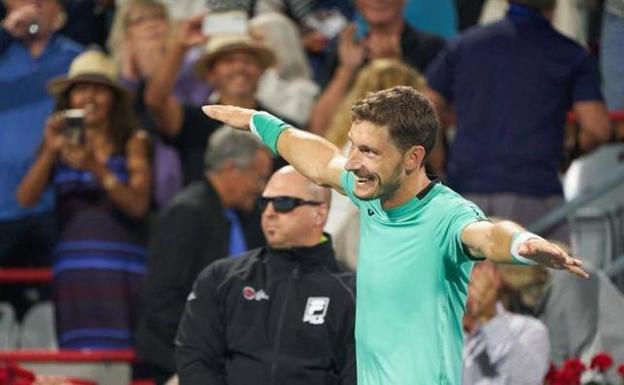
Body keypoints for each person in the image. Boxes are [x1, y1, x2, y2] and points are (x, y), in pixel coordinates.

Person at [202, 85, 587, 385]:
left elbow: (487, 236)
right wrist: (257, 122)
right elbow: (320, 162)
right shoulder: (371, 188)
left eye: (368, 151)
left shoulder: (447, 215)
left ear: (413, 159)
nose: (353, 161)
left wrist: (522, 245)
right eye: (354, 145)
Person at [425, 0, 611, 242]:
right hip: (534, 196)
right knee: (556, 275)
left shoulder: (465, 45)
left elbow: (426, 104)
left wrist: (438, 163)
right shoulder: (570, 54)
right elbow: (597, 128)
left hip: (464, 197)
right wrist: (569, 153)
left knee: (468, 280)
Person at [16, 49, 151, 349]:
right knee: (79, 360)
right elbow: (25, 198)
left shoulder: (133, 142)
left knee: (124, 361)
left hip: (122, 266)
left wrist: (96, 168)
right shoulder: (57, 148)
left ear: (112, 98)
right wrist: (51, 150)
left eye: (98, 89)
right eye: (81, 89)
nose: (89, 97)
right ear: (69, 99)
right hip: (76, 271)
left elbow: (138, 205)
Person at [175, 166, 356, 385]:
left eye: (283, 203)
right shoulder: (221, 278)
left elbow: (355, 373)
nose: (269, 213)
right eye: (264, 203)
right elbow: (195, 357)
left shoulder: (351, 293)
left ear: (319, 213)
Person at [135, 126, 272, 384]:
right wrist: (198, 355)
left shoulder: (233, 216)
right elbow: (163, 299)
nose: (261, 188)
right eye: (258, 177)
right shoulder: (187, 213)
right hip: (180, 361)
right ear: (231, 169)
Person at [0, 0, 82, 315]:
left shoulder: (75, 57)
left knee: (54, 305)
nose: (33, 9)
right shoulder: (3, 52)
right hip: (2, 202)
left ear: (58, 11)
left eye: (42, 2)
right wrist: (6, 33)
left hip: (54, 203)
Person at [144, 15, 289, 183]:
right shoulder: (194, 120)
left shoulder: (281, 127)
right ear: (210, 74)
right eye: (229, 61)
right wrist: (180, 46)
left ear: (261, 71)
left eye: (248, 61)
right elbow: (155, 101)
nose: (239, 67)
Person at [462, 262, 550, 385]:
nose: (465, 274)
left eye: (476, 266)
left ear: (496, 276)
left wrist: (489, 318)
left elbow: (525, 381)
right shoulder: (438, 334)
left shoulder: (528, 329)